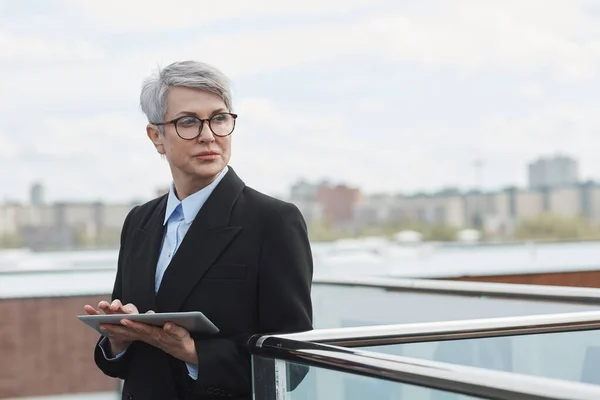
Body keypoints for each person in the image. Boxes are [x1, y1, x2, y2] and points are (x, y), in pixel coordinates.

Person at [83, 60, 313, 400]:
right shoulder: (139, 221)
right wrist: (119, 337)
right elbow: (125, 363)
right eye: (188, 122)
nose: (208, 135)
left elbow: (293, 361)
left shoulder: (273, 221)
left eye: (219, 118)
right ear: (156, 136)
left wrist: (192, 352)